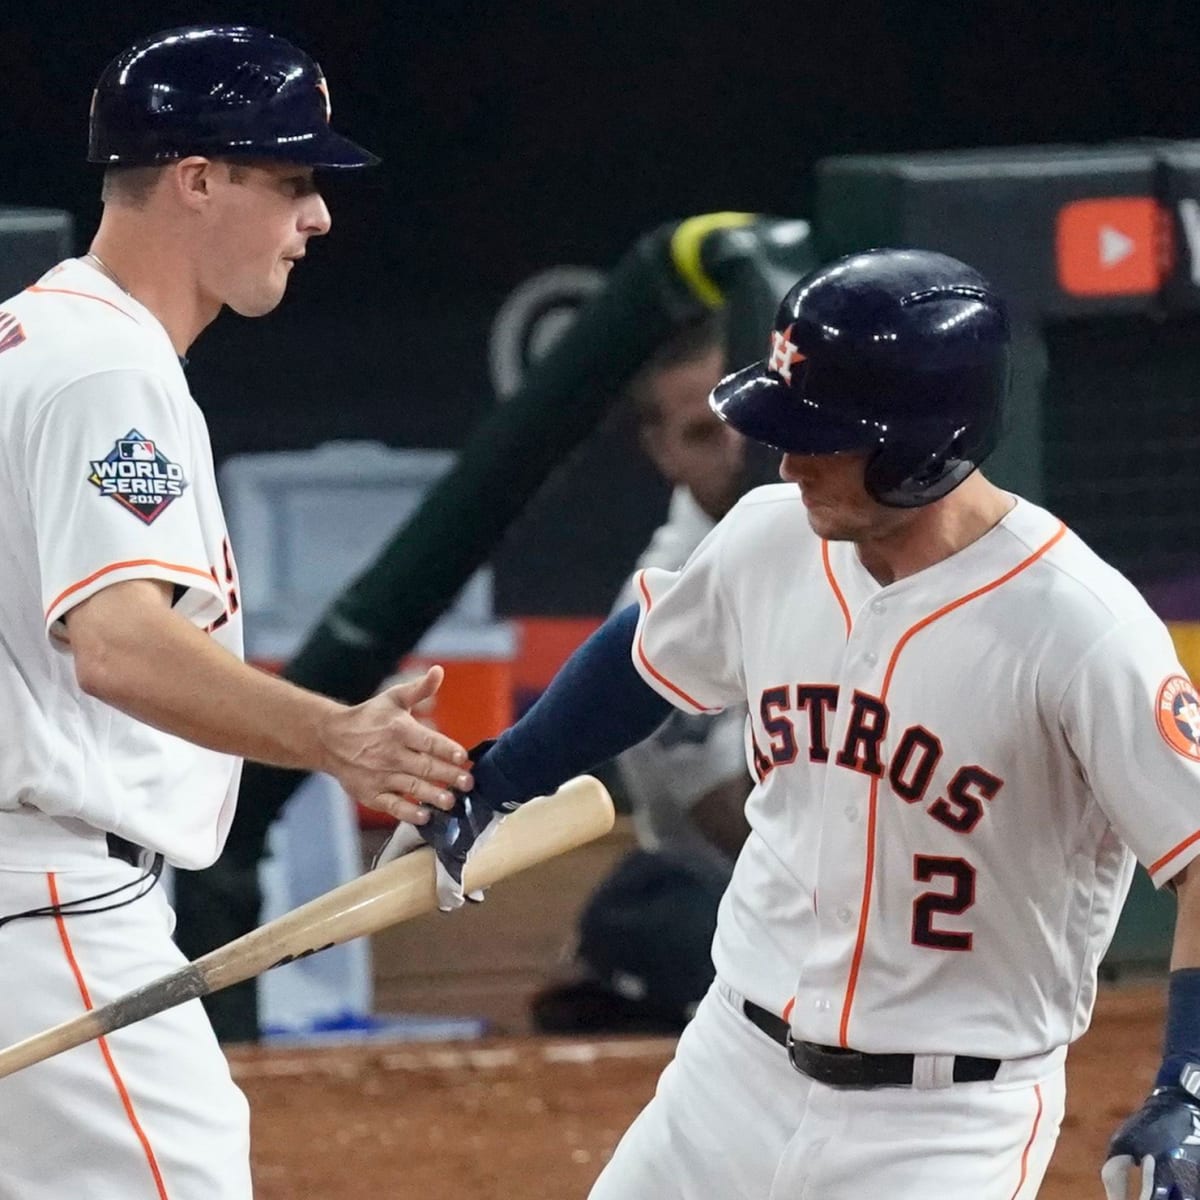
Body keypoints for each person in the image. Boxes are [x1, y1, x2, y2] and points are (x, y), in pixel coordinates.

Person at [385, 248, 1200, 1199]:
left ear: (927, 443)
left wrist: (1188, 1083)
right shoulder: (772, 535)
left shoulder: (1080, 629)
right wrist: (497, 778)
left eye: (822, 436)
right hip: (730, 1073)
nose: (786, 457)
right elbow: (649, 651)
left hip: (940, 1130)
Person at [0, 26, 471, 1200]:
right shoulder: (105, 369)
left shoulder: (34, 337)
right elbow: (115, 641)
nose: (315, 219)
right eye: (293, 180)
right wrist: (338, 737)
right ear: (196, 178)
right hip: (43, 901)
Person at [531, 313, 752, 1034]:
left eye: (744, 412)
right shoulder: (666, 590)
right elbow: (723, 807)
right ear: (662, 451)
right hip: (732, 915)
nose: (737, 445)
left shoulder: (843, 530)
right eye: (702, 433)